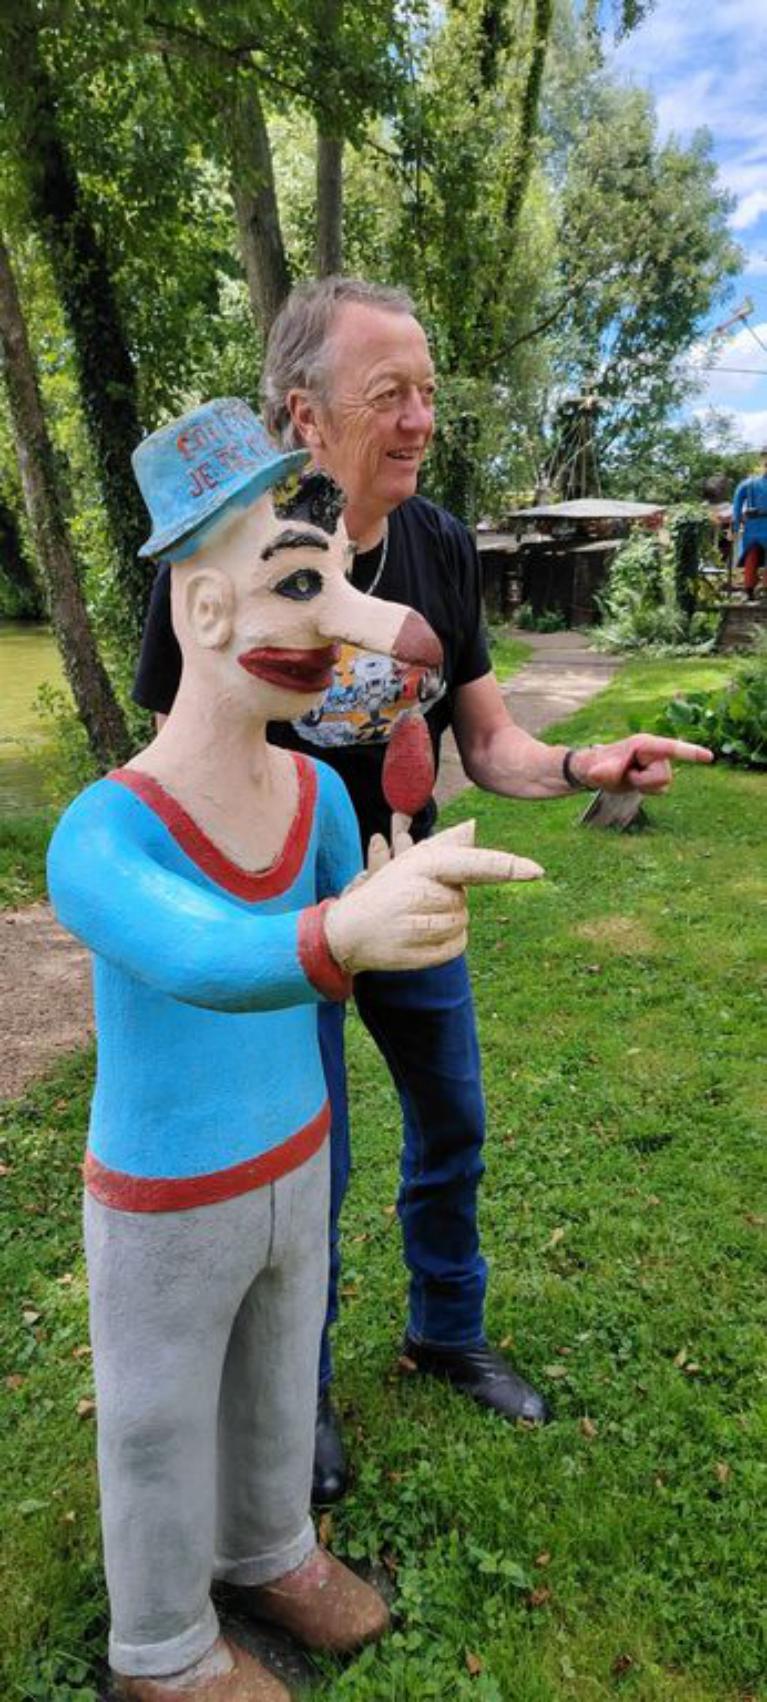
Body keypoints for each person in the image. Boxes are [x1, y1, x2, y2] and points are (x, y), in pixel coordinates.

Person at [133, 280, 712, 1507]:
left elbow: (487, 744)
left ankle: (445, 1328)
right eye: (388, 394)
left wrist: (583, 764)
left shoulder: (441, 547)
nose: (420, 420)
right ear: (304, 415)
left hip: (412, 884)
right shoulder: (225, 553)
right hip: (284, 907)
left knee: (451, 1121)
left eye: (428, 393)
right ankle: (295, 1390)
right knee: (310, 1165)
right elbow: (180, 751)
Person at [49, 398, 536, 1702]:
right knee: (160, 1413)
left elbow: (344, 916)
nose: (356, 625)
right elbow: (204, 952)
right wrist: (340, 930)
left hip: (295, 1155)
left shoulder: (316, 791)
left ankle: (268, 1544)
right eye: (303, 589)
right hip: (170, 1190)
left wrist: (395, 894)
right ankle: (161, 1643)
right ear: (209, 612)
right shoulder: (103, 833)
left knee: (275, 1371)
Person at [732, 446, 767, 598]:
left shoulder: (748, 483)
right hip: (752, 526)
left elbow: (737, 506)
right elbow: (737, 505)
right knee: (751, 556)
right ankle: (750, 589)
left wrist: (735, 526)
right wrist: (735, 527)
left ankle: (754, 589)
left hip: (752, 526)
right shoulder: (748, 484)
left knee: (751, 556)